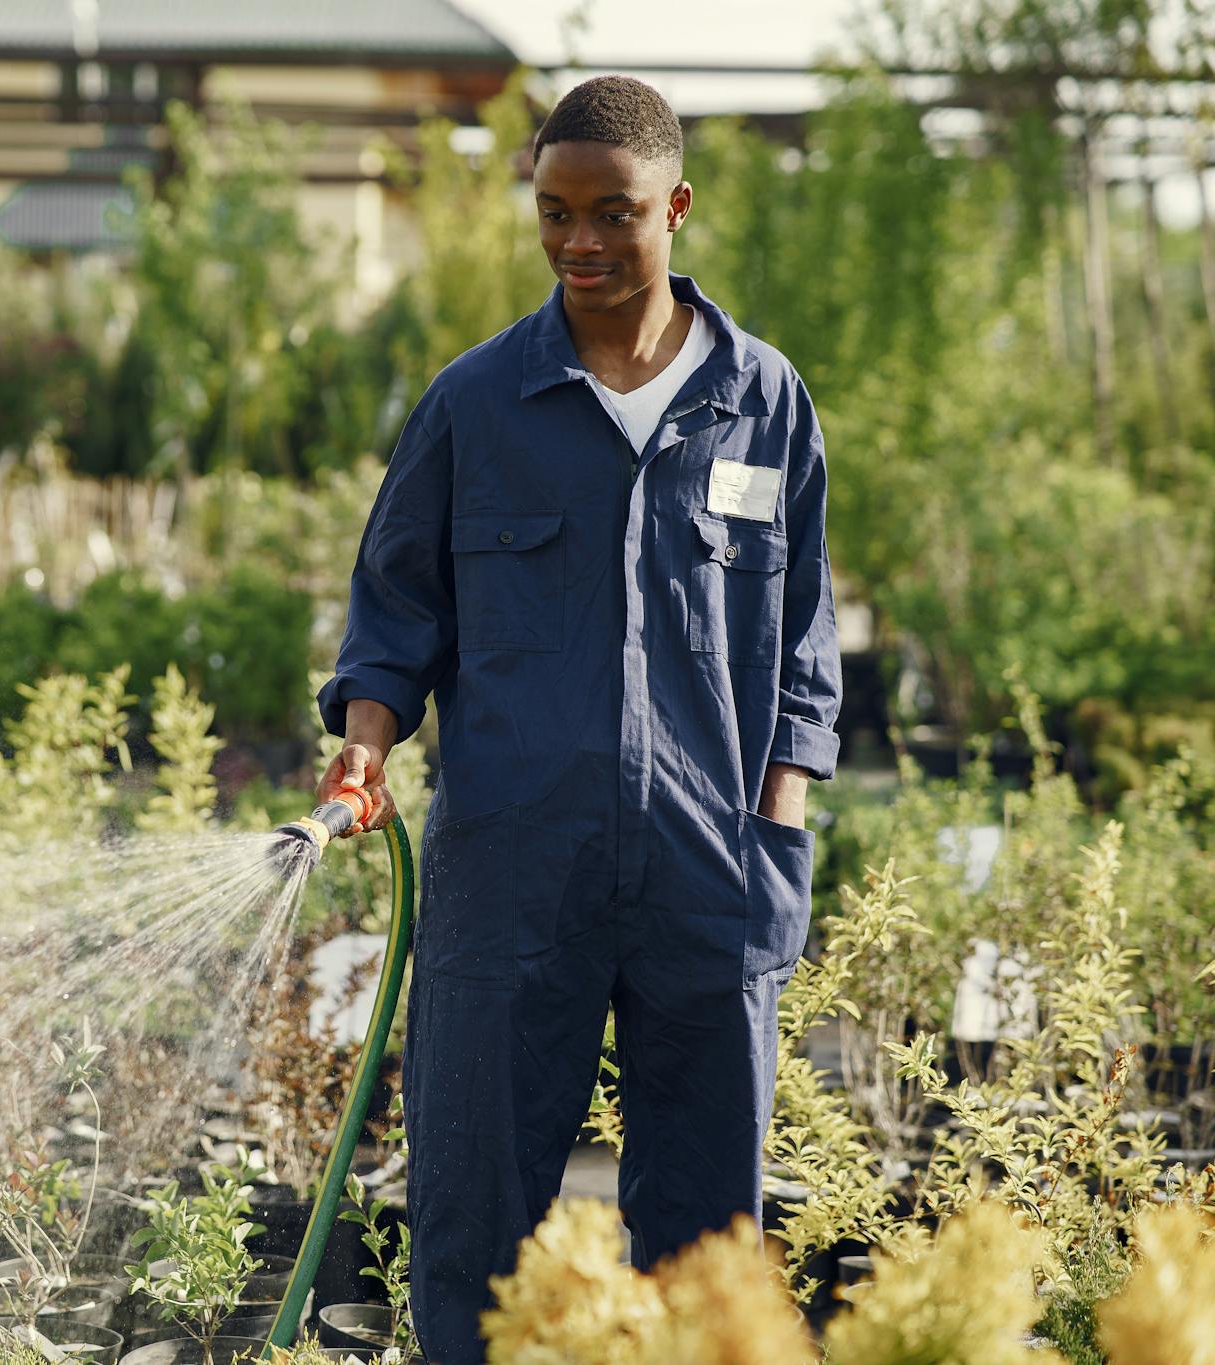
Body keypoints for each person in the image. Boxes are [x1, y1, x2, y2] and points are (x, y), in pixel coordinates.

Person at [312, 75, 843, 1364]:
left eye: (613, 213)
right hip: (512, 865)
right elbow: (395, 609)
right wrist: (364, 748)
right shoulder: (476, 404)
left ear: (677, 206)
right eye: (554, 214)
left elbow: (807, 636)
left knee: (707, 1230)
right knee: (475, 1212)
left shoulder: (764, 403)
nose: (581, 243)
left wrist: (781, 804)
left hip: (711, 867)